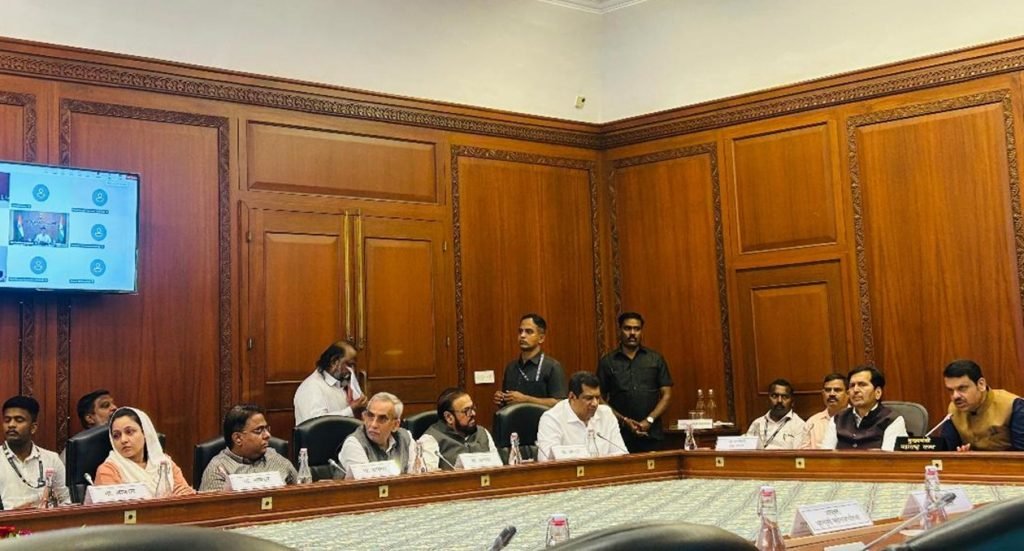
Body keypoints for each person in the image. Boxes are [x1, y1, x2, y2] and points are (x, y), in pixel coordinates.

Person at [596, 312, 673, 453]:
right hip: (619, 435)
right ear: (620, 330)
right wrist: (624, 420)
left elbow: (666, 395)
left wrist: (649, 420)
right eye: (627, 328)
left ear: (641, 331)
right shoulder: (607, 362)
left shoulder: (655, 359)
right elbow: (599, 398)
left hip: (652, 434)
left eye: (636, 329)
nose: (632, 333)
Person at [94, 407, 195, 496]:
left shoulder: (164, 462)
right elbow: (115, 508)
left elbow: (185, 495)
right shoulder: (108, 471)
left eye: (129, 432)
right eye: (116, 436)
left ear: (145, 432)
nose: (123, 440)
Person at [199, 404, 298, 492]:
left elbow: (302, 491)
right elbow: (213, 506)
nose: (267, 435)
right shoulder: (218, 469)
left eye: (266, 429)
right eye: (259, 430)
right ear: (238, 438)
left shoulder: (275, 458)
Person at [537, 372, 628, 461]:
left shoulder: (606, 414)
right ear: (572, 397)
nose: (595, 403)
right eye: (589, 398)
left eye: (597, 398)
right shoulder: (552, 419)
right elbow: (547, 461)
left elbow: (622, 455)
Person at [938, 359, 1024, 451]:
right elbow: (945, 450)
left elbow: (1020, 454)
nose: (955, 396)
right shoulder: (954, 409)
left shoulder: (1012, 406)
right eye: (950, 390)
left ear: (981, 384)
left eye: (962, 388)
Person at [0, 396, 70, 509]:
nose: (11, 425)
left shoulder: (51, 459)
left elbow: (67, 500)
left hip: (45, 519)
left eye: (19, 420)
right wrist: (12, 513)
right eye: (7, 420)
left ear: (33, 427)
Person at [821, 365, 906, 451]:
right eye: (852, 385)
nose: (855, 390)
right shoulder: (837, 419)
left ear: (878, 392)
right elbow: (825, 455)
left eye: (862, 385)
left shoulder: (892, 420)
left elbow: (888, 457)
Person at [494, 314, 567, 408]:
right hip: (515, 417)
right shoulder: (511, 367)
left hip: (541, 417)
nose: (522, 335)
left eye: (529, 332)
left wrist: (526, 400)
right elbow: (508, 403)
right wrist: (501, 399)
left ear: (541, 338)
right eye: (520, 331)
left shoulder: (552, 366)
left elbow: (560, 403)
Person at [337, 392, 416, 476]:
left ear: (395, 425)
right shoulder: (354, 444)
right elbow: (366, 482)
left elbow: (416, 476)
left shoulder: (405, 437)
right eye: (370, 416)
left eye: (382, 419)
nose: (373, 424)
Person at [419, 388, 497, 470]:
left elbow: (497, 468)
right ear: (449, 417)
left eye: (473, 408)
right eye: (466, 411)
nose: (473, 413)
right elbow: (430, 476)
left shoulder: (482, 433)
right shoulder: (430, 440)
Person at [293, 340, 366, 425]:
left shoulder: (343, 383)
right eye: (349, 365)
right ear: (334, 362)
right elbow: (316, 424)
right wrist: (351, 410)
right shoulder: (311, 387)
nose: (352, 370)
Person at [745, 379, 806, 449]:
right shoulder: (757, 423)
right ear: (768, 399)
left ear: (792, 402)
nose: (779, 400)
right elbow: (747, 450)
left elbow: (798, 454)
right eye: (774, 396)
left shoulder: (799, 426)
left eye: (784, 397)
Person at [800, 373, 849, 450]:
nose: (832, 394)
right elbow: (804, 452)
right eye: (828, 390)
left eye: (837, 390)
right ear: (823, 394)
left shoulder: (857, 418)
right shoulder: (812, 422)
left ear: (848, 393)